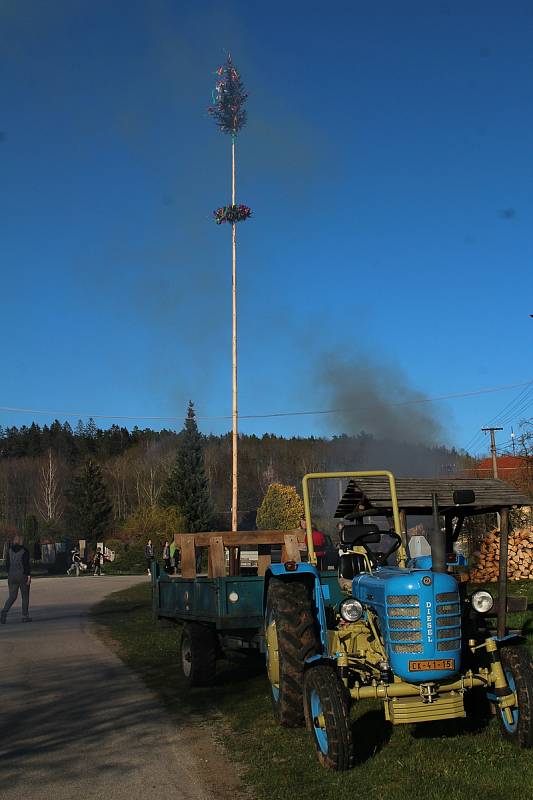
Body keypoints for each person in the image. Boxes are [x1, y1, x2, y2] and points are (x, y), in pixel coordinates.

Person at [1, 534, 32, 624]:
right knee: (25, 596)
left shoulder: (9, 551)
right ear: (21, 541)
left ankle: (4, 612)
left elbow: (7, 564)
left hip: (11, 576)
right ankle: (24, 616)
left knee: (12, 596)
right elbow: (26, 564)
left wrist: (10, 572)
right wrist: (29, 576)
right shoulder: (24, 551)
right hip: (22, 575)